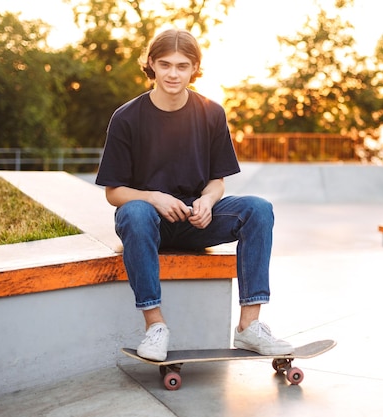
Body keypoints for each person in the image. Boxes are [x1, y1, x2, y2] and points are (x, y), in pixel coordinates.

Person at [95, 28, 294, 361]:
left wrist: (207, 200)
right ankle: (155, 326)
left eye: (182, 66)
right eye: (165, 64)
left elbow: (217, 181)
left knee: (258, 209)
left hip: (196, 221)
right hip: (148, 222)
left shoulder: (211, 113)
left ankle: (249, 327)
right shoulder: (127, 117)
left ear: (194, 68)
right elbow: (114, 193)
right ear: (151, 65)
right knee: (133, 212)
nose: (173, 73)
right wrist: (152, 197)